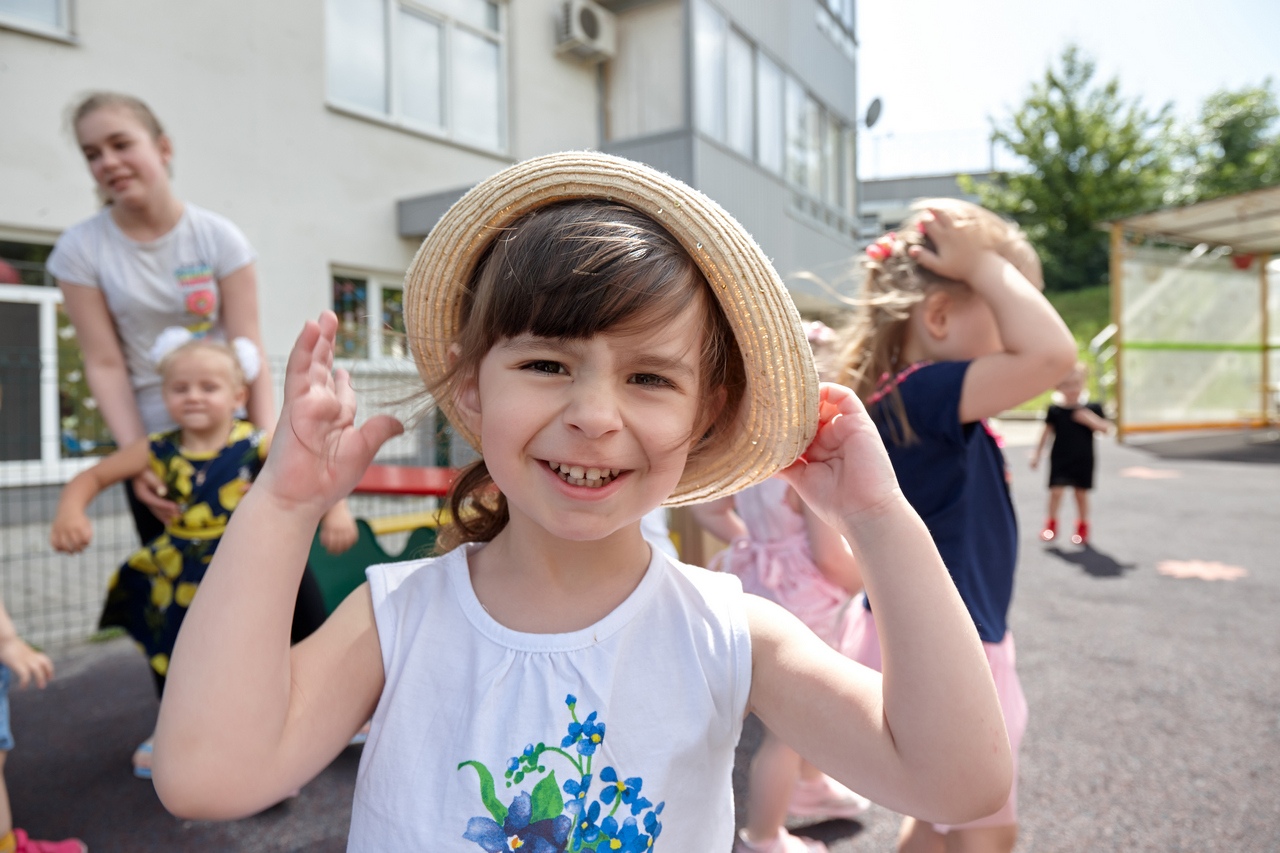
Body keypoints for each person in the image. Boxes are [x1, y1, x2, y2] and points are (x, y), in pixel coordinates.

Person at [151, 153, 1012, 849]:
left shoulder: (730, 633)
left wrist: (879, 518)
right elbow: (204, 775)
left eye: (649, 378)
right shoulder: (399, 617)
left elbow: (958, 781)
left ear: (706, 412)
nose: (594, 416)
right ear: (470, 383)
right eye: (546, 364)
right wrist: (281, 507)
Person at [46, 92, 342, 768]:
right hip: (159, 449)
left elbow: (248, 348)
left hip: (233, 443)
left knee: (282, 573)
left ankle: (322, 700)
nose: (107, 161)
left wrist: (268, 450)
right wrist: (140, 460)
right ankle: (186, 726)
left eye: (121, 143)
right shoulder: (81, 250)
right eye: (92, 153)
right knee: (175, 592)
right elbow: (104, 362)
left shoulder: (216, 238)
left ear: (162, 147)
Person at [831, 199, 1077, 853]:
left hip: (928, 637)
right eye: (1011, 300)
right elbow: (1052, 355)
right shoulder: (925, 391)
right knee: (987, 827)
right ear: (939, 317)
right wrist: (987, 266)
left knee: (938, 821)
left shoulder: (910, 395)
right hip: (957, 651)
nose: (1025, 318)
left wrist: (987, 271)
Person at [49, 334, 356, 779]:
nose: (193, 396)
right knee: (172, 645)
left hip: (247, 563)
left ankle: (326, 707)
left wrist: (337, 511)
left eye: (208, 387)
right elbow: (91, 477)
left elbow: (315, 464)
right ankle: (173, 728)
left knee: (290, 623)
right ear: (164, 396)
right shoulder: (155, 449)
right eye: (180, 388)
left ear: (238, 397)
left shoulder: (256, 442)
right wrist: (70, 510)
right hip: (183, 571)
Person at [693, 321, 867, 853]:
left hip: (759, 579)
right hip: (805, 595)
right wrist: (867, 579)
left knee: (796, 703)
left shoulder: (752, 451)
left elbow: (708, 510)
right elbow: (830, 558)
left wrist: (755, 543)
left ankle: (812, 785)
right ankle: (765, 835)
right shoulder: (805, 461)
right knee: (791, 727)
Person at [1030, 363, 1110, 545]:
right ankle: (1051, 525)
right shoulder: (1055, 410)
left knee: (1080, 494)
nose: (1072, 389)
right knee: (1056, 492)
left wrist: (1090, 420)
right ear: (1057, 387)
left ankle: (1082, 526)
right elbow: (1045, 433)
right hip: (1060, 458)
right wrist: (1037, 454)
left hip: (1082, 459)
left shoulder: (1092, 408)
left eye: (1076, 383)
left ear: (1084, 383)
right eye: (1066, 385)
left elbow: (1106, 429)